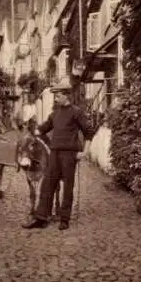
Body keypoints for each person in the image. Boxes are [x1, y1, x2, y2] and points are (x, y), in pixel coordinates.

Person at [22, 78, 93, 231]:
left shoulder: (76, 112)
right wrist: (31, 129)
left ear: (67, 95)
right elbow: (42, 129)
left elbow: (88, 132)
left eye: (58, 95)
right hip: (54, 153)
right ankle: (41, 218)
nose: (55, 98)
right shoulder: (54, 114)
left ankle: (64, 219)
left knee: (68, 186)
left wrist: (85, 152)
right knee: (47, 184)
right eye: (55, 95)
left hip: (69, 155)